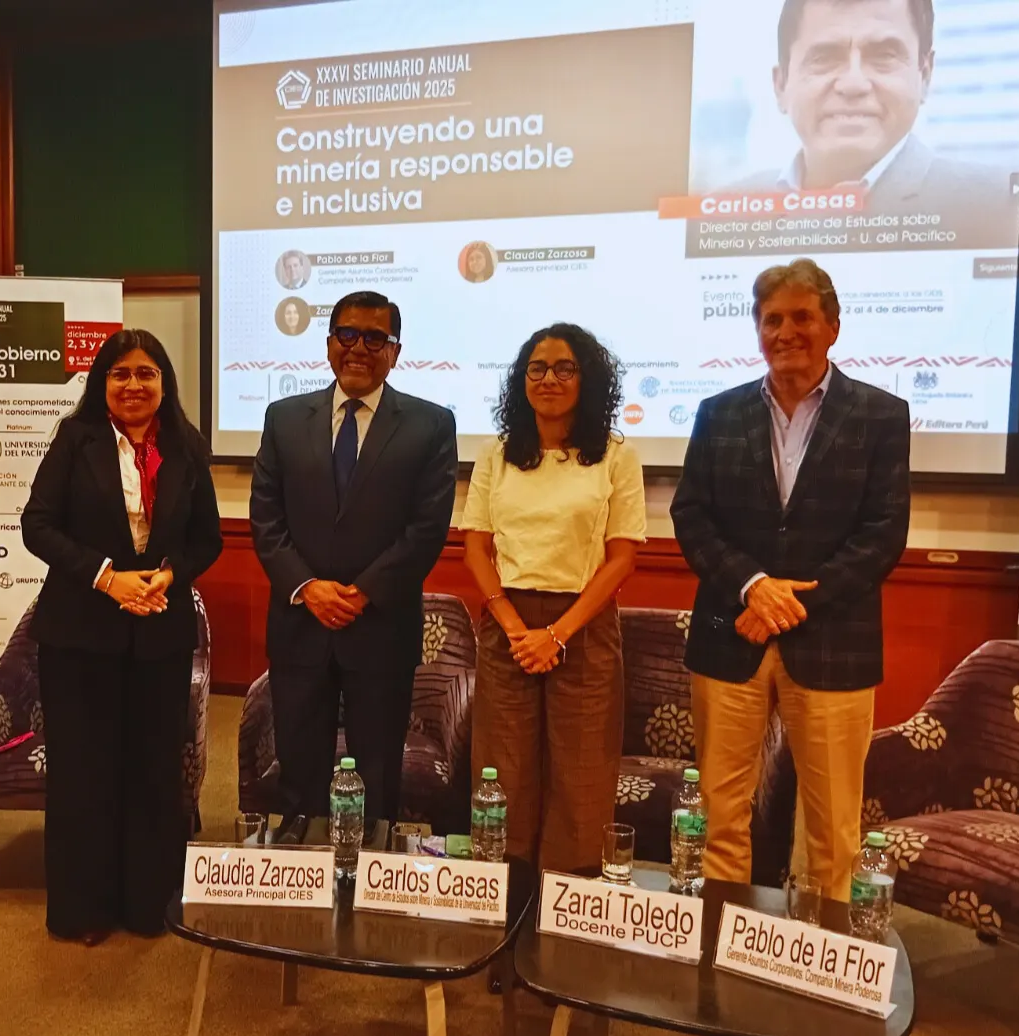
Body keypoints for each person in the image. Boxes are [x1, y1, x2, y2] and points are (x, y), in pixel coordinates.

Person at [670, 257, 910, 901]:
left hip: (833, 644)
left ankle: (824, 956)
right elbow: (690, 515)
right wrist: (753, 586)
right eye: (771, 319)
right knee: (719, 818)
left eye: (801, 317)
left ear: (833, 326)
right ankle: (716, 943)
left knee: (832, 833)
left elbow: (883, 534)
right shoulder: (717, 413)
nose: (785, 332)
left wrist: (789, 604)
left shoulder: (881, 415)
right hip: (730, 637)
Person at [21, 328, 223, 943]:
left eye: (146, 373)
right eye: (120, 373)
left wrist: (169, 574)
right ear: (101, 382)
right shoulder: (74, 439)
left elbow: (207, 539)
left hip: (160, 632)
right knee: (84, 773)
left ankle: (147, 906)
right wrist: (108, 579)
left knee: (152, 771)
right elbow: (38, 526)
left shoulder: (186, 445)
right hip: (80, 636)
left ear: (164, 382)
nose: (133, 385)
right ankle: (83, 911)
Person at [250, 290, 457, 840]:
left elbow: (426, 529)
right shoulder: (284, 418)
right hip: (301, 623)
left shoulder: (431, 425)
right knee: (299, 771)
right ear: (328, 343)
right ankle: (303, 861)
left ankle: (368, 868)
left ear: (395, 351)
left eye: (374, 337)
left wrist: (362, 593)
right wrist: (308, 588)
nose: (358, 347)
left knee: (376, 774)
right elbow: (266, 519)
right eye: (347, 334)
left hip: (381, 628)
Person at [461, 324, 645, 874]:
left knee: (581, 776)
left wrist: (558, 634)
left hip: (583, 627)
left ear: (588, 380)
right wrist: (515, 627)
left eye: (565, 368)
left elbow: (622, 558)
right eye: (536, 368)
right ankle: (507, 906)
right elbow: (476, 548)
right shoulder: (496, 454)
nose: (549, 379)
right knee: (503, 774)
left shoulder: (615, 456)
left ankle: (566, 915)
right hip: (509, 629)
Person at [734, 0, 1016, 245]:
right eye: (824, 58)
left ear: (925, 76)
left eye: (884, 56)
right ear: (781, 86)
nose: (853, 84)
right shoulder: (725, 209)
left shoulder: (1000, 205)